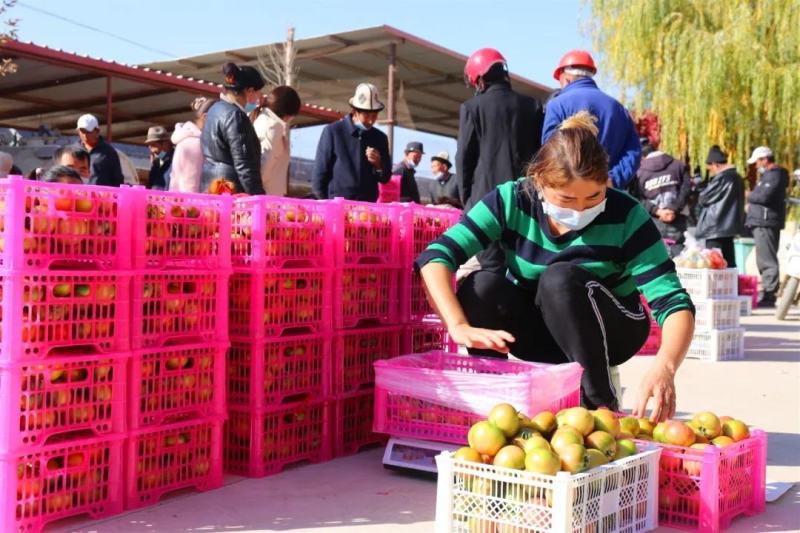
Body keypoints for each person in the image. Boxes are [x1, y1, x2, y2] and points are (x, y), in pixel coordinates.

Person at [416, 111, 695, 417]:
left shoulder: (627, 214)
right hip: (540, 332)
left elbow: (673, 302)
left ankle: (600, 405)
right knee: (481, 286)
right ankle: (494, 406)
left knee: (560, 277)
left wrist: (665, 366)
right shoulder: (512, 200)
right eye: (565, 200)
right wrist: (458, 326)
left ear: (607, 182)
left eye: (593, 198)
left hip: (613, 331)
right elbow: (437, 256)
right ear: (538, 182)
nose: (580, 210)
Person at [458, 48, 544, 272]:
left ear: (479, 80)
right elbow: (540, 154)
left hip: (485, 201)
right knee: (522, 267)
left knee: (490, 268)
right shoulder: (532, 105)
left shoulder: (471, 108)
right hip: (526, 198)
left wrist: (468, 200)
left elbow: (464, 161)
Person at [544, 50, 641, 190]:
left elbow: (550, 150)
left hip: (568, 191)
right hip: (607, 193)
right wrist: (612, 180)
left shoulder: (557, 104)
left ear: (566, 78)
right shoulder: (618, 107)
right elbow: (633, 150)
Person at [312, 83, 391, 201]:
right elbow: (320, 172)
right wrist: (323, 202)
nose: (370, 120)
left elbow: (385, 178)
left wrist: (379, 164)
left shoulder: (380, 138)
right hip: (337, 204)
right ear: (355, 111)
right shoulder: (333, 132)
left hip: (367, 208)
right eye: (366, 115)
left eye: (374, 115)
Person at [201, 62, 265, 195]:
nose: (259, 98)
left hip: (210, 184)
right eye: (258, 93)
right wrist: (258, 196)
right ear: (249, 91)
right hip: (230, 189)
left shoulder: (215, 109)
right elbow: (244, 165)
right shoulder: (236, 116)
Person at [630, 139, 691, 257]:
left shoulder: (638, 173)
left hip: (652, 220)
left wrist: (657, 211)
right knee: (679, 253)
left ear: (643, 157)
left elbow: (636, 197)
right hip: (677, 219)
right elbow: (686, 189)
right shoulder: (679, 165)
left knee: (655, 254)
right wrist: (673, 209)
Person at [746, 146, 789, 307]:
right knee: (763, 258)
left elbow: (763, 196)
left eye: (757, 161)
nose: (756, 165)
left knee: (767, 259)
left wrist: (749, 195)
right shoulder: (769, 176)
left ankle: (770, 293)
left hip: (766, 221)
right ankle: (768, 290)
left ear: (765, 159)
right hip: (762, 221)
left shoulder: (774, 176)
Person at [696, 145, 745, 268]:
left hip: (715, 226)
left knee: (713, 261)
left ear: (716, 164)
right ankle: (732, 286)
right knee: (729, 261)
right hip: (729, 227)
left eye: (710, 168)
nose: (710, 172)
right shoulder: (737, 177)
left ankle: (714, 287)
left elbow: (703, 198)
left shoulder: (722, 178)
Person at [252, 85, 301, 196]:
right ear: (289, 113)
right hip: (267, 197)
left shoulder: (263, 120)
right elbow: (264, 168)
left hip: (266, 195)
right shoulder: (273, 127)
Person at [170, 97, 216, 193]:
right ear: (205, 117)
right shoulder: (195, 143)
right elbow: (190, 185)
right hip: (190, 204)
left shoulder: (187, 139)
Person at [76, 114, 125, 187]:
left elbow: (117, 179)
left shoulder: (109, 152)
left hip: (101, 196)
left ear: (97, 131)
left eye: (88, 131)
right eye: (82, 131)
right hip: (77, 195)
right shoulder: (73, 150)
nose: (85, 135)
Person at [144, 126, 173, 190]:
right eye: (149, 146)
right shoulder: (156, 163)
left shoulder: (175, 160)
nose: (152, 150)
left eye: (154, 145)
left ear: (166, 143)